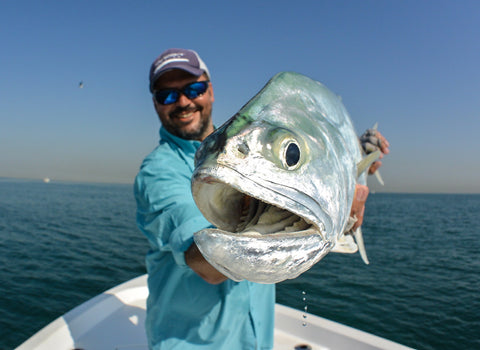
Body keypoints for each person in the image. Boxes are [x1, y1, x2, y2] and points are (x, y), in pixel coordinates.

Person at [134, 48, 389, 350]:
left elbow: (302, 191)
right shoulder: (157, 172)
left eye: (194, 88)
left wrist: (350, 170)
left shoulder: (246, 138)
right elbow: (205, 265)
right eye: (167, 95)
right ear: (155, 103)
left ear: (210, 91)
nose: (184, 102)